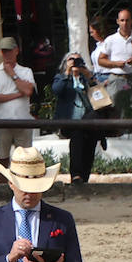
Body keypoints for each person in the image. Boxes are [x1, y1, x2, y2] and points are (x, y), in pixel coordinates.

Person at [0, 36, 36, 180]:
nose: (7, 54)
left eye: (9, 51)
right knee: (3, 159)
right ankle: (3, 190)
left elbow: (28, 91)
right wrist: (17, 94)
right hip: (1, 122)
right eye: (4, 51)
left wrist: (12, 75)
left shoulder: (26, 71)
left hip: (23, 121)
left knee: (25, 160)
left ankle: (25, 188)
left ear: (16, 51)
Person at [51, 52, 103, 182]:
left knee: (91, 140)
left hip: (89, 121)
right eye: (71, 59)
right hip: (70, 122)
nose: (75, 62)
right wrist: (67, 73)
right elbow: (57, 90)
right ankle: (76, 175)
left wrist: (89, 76)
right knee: (78, 136)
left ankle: (84, 177)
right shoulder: (61, 77)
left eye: (78, 60)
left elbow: (100, 96)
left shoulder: (86, 79)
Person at [97, 9, 132, 92]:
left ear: (131, 21)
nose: (125, 23)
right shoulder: (110, 39)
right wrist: (115, 64)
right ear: (117, 21)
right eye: (122, 20)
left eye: (127, 20)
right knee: (116, 104)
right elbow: (100, 60)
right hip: (116, 78)